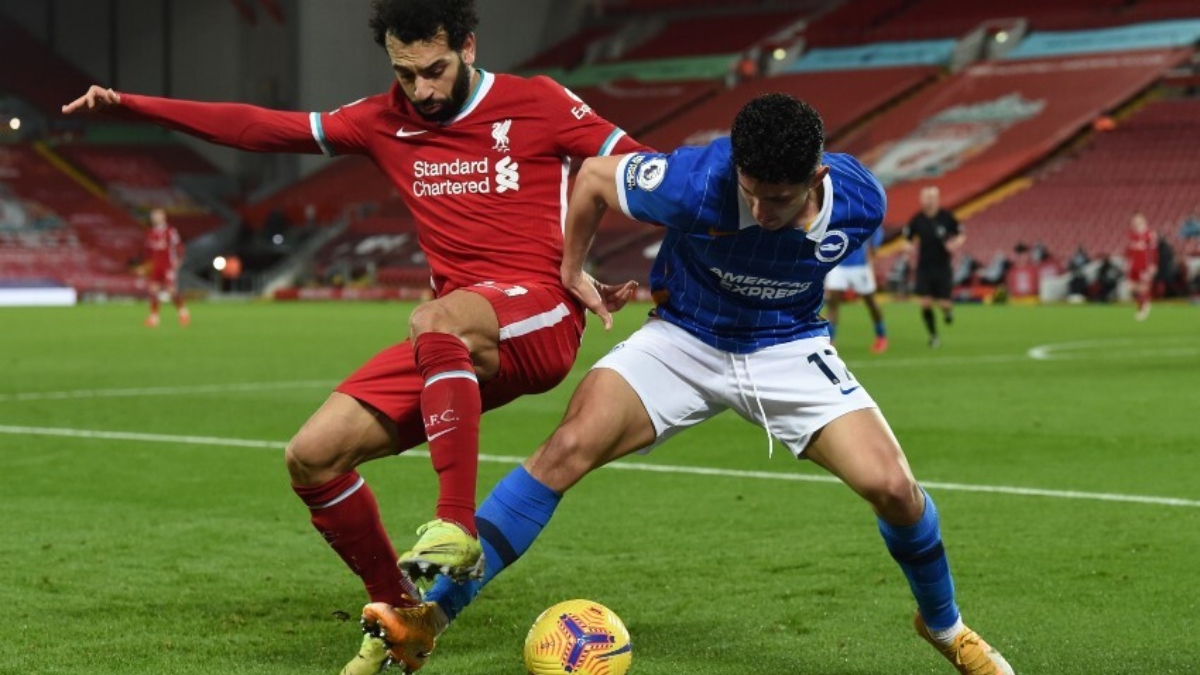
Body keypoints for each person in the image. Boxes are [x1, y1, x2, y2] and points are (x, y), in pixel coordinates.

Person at [64, 1, 644, 672]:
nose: (421, 91)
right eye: (406, 74)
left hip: (538, 314)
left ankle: (455, 525)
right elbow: (257, 128)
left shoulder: (536, 102)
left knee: (435, 315)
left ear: (468, 47)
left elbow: (636, 170)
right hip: (453, 340)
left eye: (435, 70)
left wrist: (583, 263)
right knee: (312, 455)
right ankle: (402, 613)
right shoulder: (382, 120)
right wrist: (133, 105)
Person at [366, 94, 1015, 675]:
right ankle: (430, 617)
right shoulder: (692, 181)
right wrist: (572, 269)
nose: (760, 209)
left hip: (786, 344)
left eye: (779, 199)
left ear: (817, 179)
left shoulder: (862, 202)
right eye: (751, 190)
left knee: (894, 488)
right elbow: (592, 177)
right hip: (683, 336)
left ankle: (943, 624)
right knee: (565, 449)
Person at [903, 186, 964, 348]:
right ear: (921, 200)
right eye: (925, 197)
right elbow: (908, 239)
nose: (928, 201)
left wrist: (955, 244)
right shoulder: (917, 220)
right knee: (925, 303)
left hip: (942, 266)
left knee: (944, 303)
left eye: (931, 197)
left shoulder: (947, 217)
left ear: (937, 199)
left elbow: (961, 234)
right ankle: (933, 335)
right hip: (924, 266)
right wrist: (908, 248)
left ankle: (948, 311)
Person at [823, 224, 888, 353]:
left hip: (860, 266)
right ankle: (831, 341)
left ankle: (881, 336)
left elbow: (877, 229)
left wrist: (874, 246)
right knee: (833, 304)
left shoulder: (862, 210)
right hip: (838, 265)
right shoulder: (835, 209)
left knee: (871, 303)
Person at [142, 208, 189, 327]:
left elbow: (178, 245)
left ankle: (183, 312)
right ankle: (154, 318)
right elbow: (148, 251)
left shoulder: (170, 231)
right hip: (156, 265)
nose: (155, 218)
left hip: (168, 265)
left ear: (163, 217)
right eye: (153, 216)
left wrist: (179, 260)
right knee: (153, 290)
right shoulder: (150, 232)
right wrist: (145, 265)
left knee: (171, 291)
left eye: (157, 215)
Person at [1125, 212, 1157, 321]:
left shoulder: (1149, 234)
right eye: (1134, 219)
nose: (1135, 221)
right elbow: (1129, 251)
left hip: (1144, 265)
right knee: (1130, 287)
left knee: (1143, 287)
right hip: (1133, 265)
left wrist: (1152, 264)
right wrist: (1127, 262)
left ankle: (1144, 308)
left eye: (1138, 219)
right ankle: (1143, 304)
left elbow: (1153, 251)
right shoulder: (1131, 234)